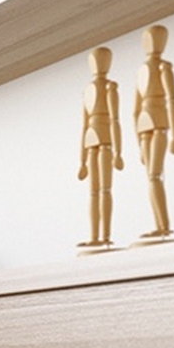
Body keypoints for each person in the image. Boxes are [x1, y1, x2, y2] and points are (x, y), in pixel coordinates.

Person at [133, 25, 174, 240]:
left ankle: (164, 225)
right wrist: (137, 145)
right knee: (151, 178)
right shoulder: (142, 70)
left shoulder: (164, 68)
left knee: (154, 176)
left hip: (160, 124)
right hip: (145, 126)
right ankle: (160, 225)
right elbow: (135, 110)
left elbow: (172, 100)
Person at [78, 46, 124, 249]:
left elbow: (115, 119)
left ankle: (105, 235)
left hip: (105, 140)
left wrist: (118, 152)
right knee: (94, 192)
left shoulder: (110, 88)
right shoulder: (88, 89)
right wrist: (81, 162)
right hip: (91, 140)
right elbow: (84, 124)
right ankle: (95, 236)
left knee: (105, 190)